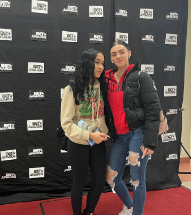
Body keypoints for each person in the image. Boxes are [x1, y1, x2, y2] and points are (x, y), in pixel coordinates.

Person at [105, 40, 162, 215]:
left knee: (137, 180)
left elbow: (153, 110)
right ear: (111, 57)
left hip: (138, 134)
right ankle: (130, 206)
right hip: (119, 137)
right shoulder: (106, 79)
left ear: (129, 53)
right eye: (114, 54)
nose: (118, 56)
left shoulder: (140, 77)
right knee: (111, 177)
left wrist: (150, 142)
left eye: (121, 52)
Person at [61, 48, 110, 215]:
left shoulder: (103, 87)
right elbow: (66, 123)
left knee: (98, 182)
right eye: (97, 62)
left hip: (98, 142)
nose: (101, 66)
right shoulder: (71, 89)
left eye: (102, 63)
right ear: (86, 63)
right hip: (79, 142)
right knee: (79, 182)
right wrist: (89, 135)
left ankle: (88, 212)